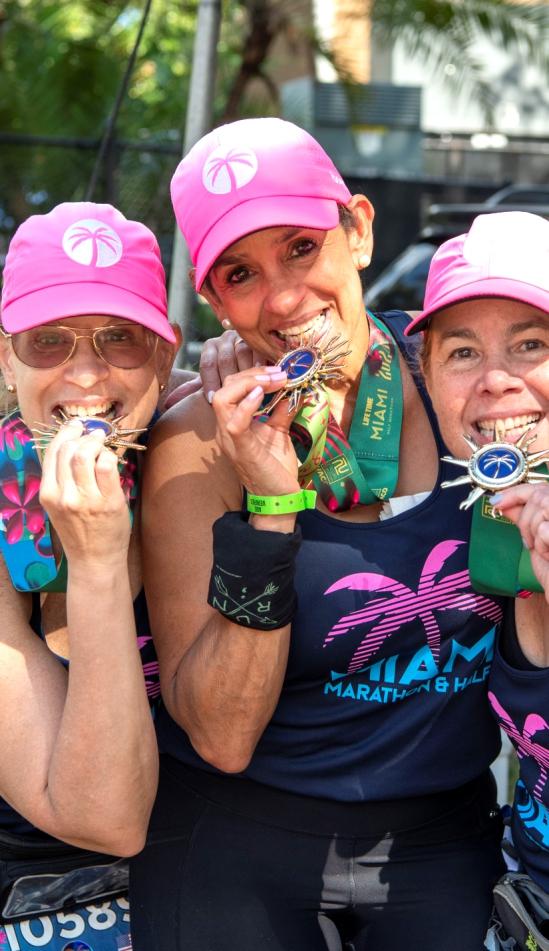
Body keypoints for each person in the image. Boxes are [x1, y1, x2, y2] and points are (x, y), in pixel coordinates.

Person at [132, 117, 508, 951]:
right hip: (239, 840)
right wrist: (270, 507)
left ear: (359, 230)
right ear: (214, 301)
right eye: (240, 273)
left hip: (442, 840)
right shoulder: (201, 442)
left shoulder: (464, 381)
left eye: (300, 248)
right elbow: (220, 736)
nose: (280, 298)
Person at [0, 201, 183, 949]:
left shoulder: (202, 466)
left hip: (214, 889)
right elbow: (107, 819)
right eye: (48, 339)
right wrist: (99, 560)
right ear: (5, 358)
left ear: (165, 358)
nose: (84, 372)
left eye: (120, 337)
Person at [404, 210, 549, 926]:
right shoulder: (495, 521)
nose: (494, 380)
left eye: (531, 344)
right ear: (428, 382)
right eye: (462, 352)